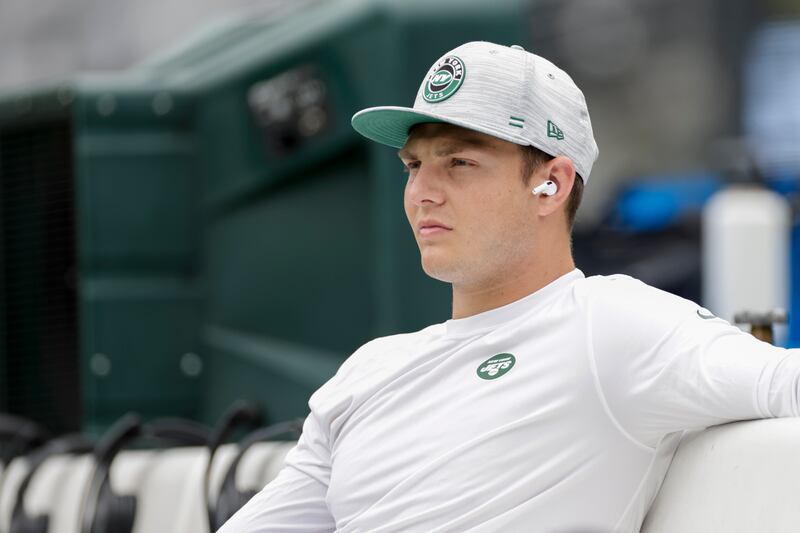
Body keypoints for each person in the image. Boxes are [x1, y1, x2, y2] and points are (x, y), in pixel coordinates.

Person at [218, 41, 800, 533]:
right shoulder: (368, 372)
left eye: (458, 163)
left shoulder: (610, 324)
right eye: (413, 166)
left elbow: (782, 382)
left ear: (552, 184)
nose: (422, 193)